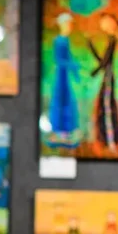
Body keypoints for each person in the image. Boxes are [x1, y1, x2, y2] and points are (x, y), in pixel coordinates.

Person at [88, 13, 118, 154]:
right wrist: (91, 47)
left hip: (109, 78)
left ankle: (111, 141)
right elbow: (103, 61)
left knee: (107, 108)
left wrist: (95, 71)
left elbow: (104, 63)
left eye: (106, 22)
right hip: (107, 77)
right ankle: (107, 140)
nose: (103, 25)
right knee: (104, 108)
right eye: (103, 23)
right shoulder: (110, 39)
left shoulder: (113, 39)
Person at [48, 13, 79, 143]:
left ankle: (66, 132)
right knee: (60, 101)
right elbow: (59, 60)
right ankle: (58, 131)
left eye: (70, 24)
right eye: (67, 24)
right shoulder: (59, 40)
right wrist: (72, 65)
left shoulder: (66, 40)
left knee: (68, 102)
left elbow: (69, 57)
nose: (69, 27)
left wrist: (75, 72)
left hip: (66, 76)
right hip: (61, 75)